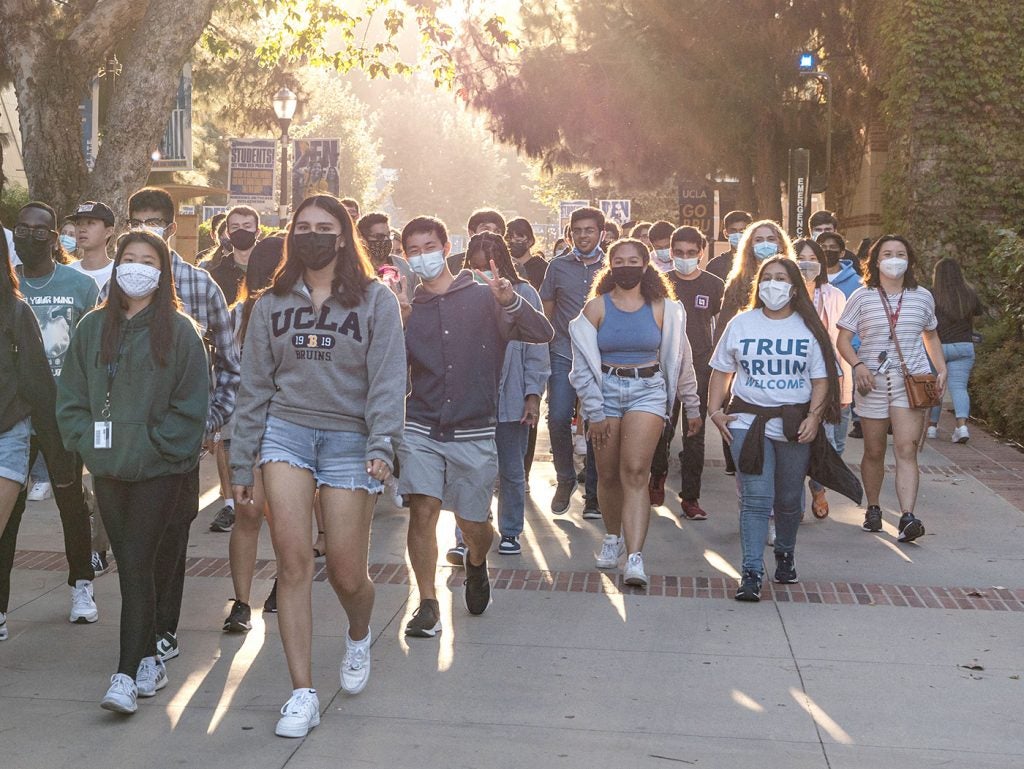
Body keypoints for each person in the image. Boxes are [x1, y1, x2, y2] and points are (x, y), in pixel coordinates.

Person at [230, 195, 405, 737]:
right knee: (293, 564)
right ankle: (301, 691)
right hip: (286, 432)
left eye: (323, 228)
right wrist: (243, 464)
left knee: (349, 574)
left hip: (352, 438)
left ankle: (358, 633)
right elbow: (254, 384)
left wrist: (383, 443)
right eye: (302, 227)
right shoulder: (270, 303)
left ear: (342, 235)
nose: (312, 235)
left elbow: (388, 379)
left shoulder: (376, 301)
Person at [56, 230, 209, 714]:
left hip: (161, 471)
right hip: (109, 469)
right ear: (116, 265)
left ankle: (124, 674)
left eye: (148, 260)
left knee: (138, 564)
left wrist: (154, 446)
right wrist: (88, 444)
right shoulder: (91, 328)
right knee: (133, 565)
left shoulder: (181, 331)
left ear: (163, 272)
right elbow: (72, 400)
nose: (137, 267)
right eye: (129, 258)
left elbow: (191, 407)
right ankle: (148, 660)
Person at [399, 216, 552, 638]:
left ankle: (477, 561)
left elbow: (542, 333)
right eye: (413, 250)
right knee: (423, 510)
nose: (421, 256)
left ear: (447, 247)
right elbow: (391, 369)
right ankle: (427, 602)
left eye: (429, 246)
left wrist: (510, 302)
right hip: (422, 425)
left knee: (473, 525)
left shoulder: (487, 295)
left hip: (474, 429)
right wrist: (399, 321)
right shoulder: (410, 307)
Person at [124, 187, 240, 663]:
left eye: (154, 222)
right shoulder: (113, 288)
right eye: (138, 220)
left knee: (172, 533)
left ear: (171, 229)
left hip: (180, 442)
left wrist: (210, 424)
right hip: (127, 441)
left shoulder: (200, 286)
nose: (147, 228)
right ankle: (138, 629)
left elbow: (229, 366)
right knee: (132, 541)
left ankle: (162, 630)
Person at [708, 257, 840, 602]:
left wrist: (814, 416)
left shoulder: (808, 328)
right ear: (758, 285)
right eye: (767, 277)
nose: (773, 284)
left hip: (795, 424)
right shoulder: (741, 324)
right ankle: (751, 571)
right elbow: (722, 370)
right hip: (747, 423)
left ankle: (785, 552)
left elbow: (821, 378)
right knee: (755, 499)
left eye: (781, 278)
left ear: (794, 287)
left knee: (788, 500)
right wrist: (714, 410)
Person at [570, 239, 700, 586]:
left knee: (636, 471)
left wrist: (693, 404)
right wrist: (593, 412)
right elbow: (581, 368)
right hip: (606, 393)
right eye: (619, 261)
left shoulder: (665, 309)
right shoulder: (595, 309)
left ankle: (636, 556)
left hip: (648, 389)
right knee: (609, 474)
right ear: (610, 267)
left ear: (646, 265)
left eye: (633, 260)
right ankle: (612, 538)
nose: (626, 267)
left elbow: (681, 359)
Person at [0, 202, 99, 625]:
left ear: (55, 238)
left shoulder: (78, 285)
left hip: (63, 411)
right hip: (18, 412)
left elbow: (93, 350)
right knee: (11, 511)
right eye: (21, 229)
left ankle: (82, 586)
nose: (29, 237)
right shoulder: (9, 284)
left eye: (40, 231)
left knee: (70, 502)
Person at [837, 235, 947, 543]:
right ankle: (873, 507)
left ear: (909, 259)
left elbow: (931, 336)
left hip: (910, 382)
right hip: (871, 382)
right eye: (887, 253)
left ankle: (908, 516)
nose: (894, 259)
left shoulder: (922, 296)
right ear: (875, 260)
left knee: (906, 449)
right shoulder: (861, 296)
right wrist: (857, 366)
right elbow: (843, 340)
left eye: (900, 253)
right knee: (874, 449)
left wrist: (941, 368)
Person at [466, 232, 548, 554]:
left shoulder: (524, 293)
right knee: (472, 472)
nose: (485, 274)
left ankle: (511, 531)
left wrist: (533, 395)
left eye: (490, 266)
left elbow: (537, 348)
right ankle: (468, 534)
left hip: (510, 400)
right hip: (472, 402)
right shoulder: (464, 295)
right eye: (477, 268)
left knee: (512, 471)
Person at [650, 226, 724, 517]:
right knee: (661, 428)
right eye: (678, 252)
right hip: (666, 365)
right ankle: (657, 476)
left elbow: (719, 325)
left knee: (695, 433)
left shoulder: (714, 284)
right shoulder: (660, 284)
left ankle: (690, 497)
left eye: (691, 253)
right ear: (671, 252)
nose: (684, 258)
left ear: (701, 253)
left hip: (702, 366)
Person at [540, 206, 607, 519]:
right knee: (557, 417)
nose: (583, 235)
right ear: (570, 234)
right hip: (563, 353)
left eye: (589, 230)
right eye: (577, 230)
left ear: (600, 233)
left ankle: (594, 493)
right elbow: (547, 312)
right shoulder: (557, 266)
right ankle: (565, 477)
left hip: (601, 357)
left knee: (597, 422)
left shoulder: (613, 266)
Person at [793, 237, 851, 518]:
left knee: (828, 441)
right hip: (793, 377)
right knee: (795, 438)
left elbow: (842, 344)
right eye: (801, 258)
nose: (807, 264)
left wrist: (845, 388)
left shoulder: (834, 296)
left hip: (829, 377)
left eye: (813, 259)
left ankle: (818, 487)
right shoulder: (785, 295)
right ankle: (795, 500)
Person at [926, 258, 981, 443]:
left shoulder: (932, 295)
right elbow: (977, 314)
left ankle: (932, 427)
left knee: (936, 386)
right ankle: (961, 426)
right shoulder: (969, 293)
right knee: (959, 388)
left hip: (937, 347)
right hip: (963, 346)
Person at [201, 205, 260, 312]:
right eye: (235, 227)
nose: (241, 231)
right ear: (228, 233)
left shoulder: (271, 270)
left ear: (257, 232)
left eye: (247, 226)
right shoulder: (216, 276)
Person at [67, 201, 116, 290]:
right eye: (78, 223)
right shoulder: (67, 273)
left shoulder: (118, 273)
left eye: (90, 223)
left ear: (108, 232)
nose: (82, 229)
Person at [446, 208, 505, 273]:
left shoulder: (511, 266)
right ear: (471, 233)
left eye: (497, 231)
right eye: (486, 229)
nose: (491, 234)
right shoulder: (451, 265)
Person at [706, 210, 753, 283]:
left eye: (742, 231)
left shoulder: (757, 261)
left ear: (750, 233)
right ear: (725, 233)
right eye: (733, 231)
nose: (738, 235)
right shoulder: (715, 265)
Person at [809, 210, 862, 275]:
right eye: (818, 230)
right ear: (811, 232)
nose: (823, 233)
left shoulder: (849, 257)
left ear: (835, 231)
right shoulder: (801, 254)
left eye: (827, 229)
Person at [505, 217, 548, 291]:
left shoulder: (544, 268)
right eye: (509, 238)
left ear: (530, 241)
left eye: (518, 239)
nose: (513, 241)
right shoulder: (504, 267)